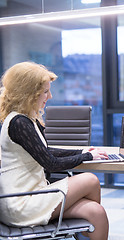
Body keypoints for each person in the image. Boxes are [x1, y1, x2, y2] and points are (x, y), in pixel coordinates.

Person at [0, 62, 109, 240]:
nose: (49, 96)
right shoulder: (19, 122)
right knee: (90, 179)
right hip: (20, 202)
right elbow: (50, 163)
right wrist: (87, 156)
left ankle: (83, 233)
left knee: (96, 212)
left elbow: (45, 151)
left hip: (32, 194)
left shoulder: (27, 118)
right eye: (44, 92)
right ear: (28, 94)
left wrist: (82, 151)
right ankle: (82, 233)